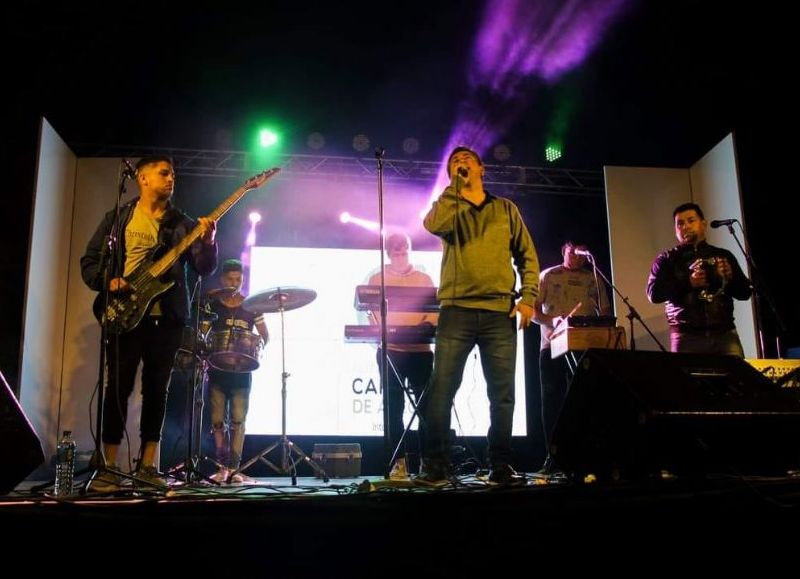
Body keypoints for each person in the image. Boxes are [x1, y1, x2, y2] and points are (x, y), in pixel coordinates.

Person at [81, 155, 218, 491]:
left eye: (173, 174)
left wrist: (209, 244)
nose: (171, 179)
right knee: (117, 389)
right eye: (163, 173)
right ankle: (109, 466)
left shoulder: (182, 224)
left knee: (157, 391)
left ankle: (147, 467)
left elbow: (202, 268)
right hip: (125, 316)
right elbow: (90, 262)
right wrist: (109, 281)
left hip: (166, 320)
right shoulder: (119, 218)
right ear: (142, 178)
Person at [419, 146, 540, 485]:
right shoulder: (448, 206)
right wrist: (454, 191)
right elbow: (432, 224)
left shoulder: (505, 209)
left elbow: (527, 256)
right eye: (454, 162)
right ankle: (436, 465)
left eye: (467, 160)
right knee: (442, 389)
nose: (460, 163)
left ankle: (500, 465)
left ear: (482, 168)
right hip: (456, 309)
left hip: (498, 311)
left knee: (502, 394)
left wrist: (528, 298)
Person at [533, 241, 610, 473]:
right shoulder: (548, 275)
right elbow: (534, 312)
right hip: (552, 345)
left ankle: (582, 456)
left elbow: (604, 311)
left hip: (584, 345)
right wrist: (553, 320)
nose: (577, 256)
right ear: (564, 250)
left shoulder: (593, 278)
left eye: (582, 253)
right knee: (552, 402)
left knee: (583, 401)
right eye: (573, 251)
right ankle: (553, 457)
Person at [366, 232, 437, 480]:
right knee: (393, 410)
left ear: (409, 248)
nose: (400, 252)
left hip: (421, 351)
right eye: (395, 248)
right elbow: (371, 313)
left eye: (403, 247)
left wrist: (424, 327)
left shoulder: (424, 278)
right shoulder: (378, 279)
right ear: (387, 251)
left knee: (427, 409)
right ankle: (398, 464)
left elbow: (434, 312)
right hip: (391, 351)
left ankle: (428, 464)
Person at [647, 202, 752, 356]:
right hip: (686, 337)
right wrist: (688, 282)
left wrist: (730, 278)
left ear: (703, 224)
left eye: (691, 221)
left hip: (725, 334)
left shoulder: (723, 255)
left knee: (736, 379)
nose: (685, 227)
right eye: (680, 224)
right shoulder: (666, 259)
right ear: (675, 230)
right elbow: (653, 294)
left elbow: (744, 293)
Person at [206, 259, 269, 483]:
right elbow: (204, 335)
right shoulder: (213, 305)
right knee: (216, 420)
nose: (234, 283)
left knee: (238, 419)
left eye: (238, 280)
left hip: (242, 372)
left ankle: (234, 469)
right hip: (217, 371)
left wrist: (258, 343)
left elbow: (264, 335)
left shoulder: (251, 305)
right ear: (222, 279)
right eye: (230, 279)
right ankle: (221, 467)